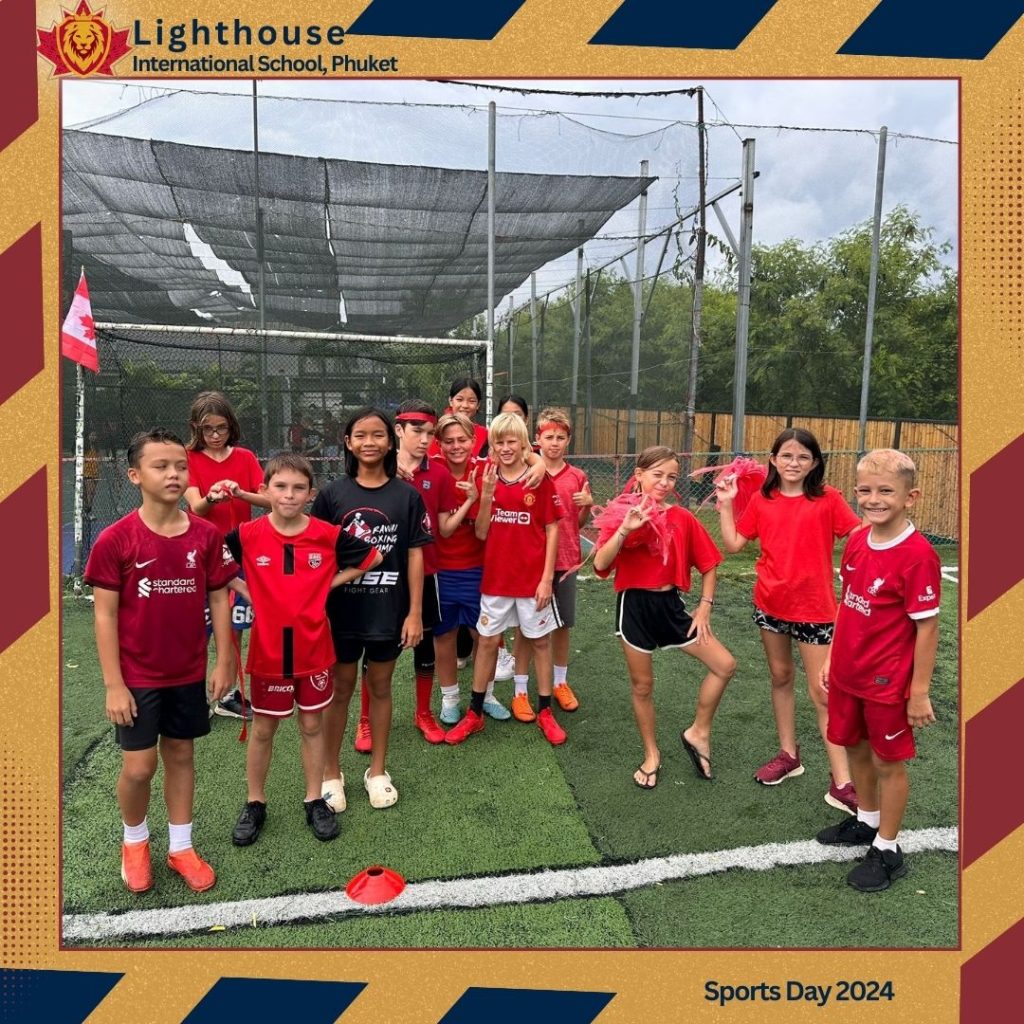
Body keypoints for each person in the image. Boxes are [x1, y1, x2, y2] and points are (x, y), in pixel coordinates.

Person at [84, 428, 237, 894]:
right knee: (138, 767)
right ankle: (135, 842)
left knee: (182, 754)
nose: (173, 474)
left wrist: (224, 660)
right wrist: (114, 684)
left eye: (180, 466)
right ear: (135, 475)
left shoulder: (207, 535)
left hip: (187, 671)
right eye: (160, 466)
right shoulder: (116, 539)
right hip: (136, 676)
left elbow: (219, 599)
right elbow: (106, 615)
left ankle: (181, 846)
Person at [225, 454, 380, 847]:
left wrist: (327, 584)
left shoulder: (327, 534)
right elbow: (216, 567)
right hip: (269, 650)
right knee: (264, 728)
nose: (289, 495)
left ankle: (315, 800)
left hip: (314, 649)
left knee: (312, 725)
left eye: (298, 488)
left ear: (310, 494)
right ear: (264, 491)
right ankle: (255, 802)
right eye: (280, 487)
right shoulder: (247, 533)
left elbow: (373, 556)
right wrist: (249, 592)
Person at [715, 427, 861, 812]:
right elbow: (732, 545)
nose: (794, 463)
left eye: (803, 457)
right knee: (780, 677)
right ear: (773, 460)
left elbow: (858, 536)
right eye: (787, 456)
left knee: (823, 693)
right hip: (770, 605)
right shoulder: (762, 500)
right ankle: (788, 755)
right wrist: (727, 504)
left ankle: (842, 782)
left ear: (815, 463)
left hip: (816, 610)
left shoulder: (829, 499)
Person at [815, 449, 940, 891]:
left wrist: (919, 691)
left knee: (889, 762)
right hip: (849, 671)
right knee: (855, 748)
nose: (874, 499)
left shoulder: (918, 554)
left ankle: (887, 848)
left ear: (911, 497)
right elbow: (848, 604)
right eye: (865, 490)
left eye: (886, 490)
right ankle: (866, 821)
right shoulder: (855, 540)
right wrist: (832, 654)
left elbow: (927, 628)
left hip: (887, 683)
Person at [593, 446, 736, 789]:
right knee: (642, 687)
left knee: (725, 665)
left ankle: (698, 732)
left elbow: (710, 563)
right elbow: (600, 564)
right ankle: (652, 755)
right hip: (635, 608)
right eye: (657, 474)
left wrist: (704, 605)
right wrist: (625, 529)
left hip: (671, 606)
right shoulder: (620, 511)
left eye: (671, 476)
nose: (664, 482)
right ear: (639, 475)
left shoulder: (682, 517)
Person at [311, 407, 431, 811]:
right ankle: (332, 772)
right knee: (340, 691)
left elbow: (416, 557)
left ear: (390, 441)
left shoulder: (407, 496)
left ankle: (377, 771)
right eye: (360, 435)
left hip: (388, 612)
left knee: (380, 688)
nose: (369, 442)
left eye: (377, 435)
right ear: (347, 442)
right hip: (341, 614)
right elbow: (318, 554)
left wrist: (415, 613)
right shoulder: (331, 495)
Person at [444, 413, 565, 746]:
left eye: (513, 441)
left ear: (524, 444)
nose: (506, 447)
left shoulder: (538, 478)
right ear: (492, 446)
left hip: (531, 581)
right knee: (486, 642)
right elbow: (481, 531)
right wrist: (485, 495)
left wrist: (546, 579)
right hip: (495, 580)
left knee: (540, 642)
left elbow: (552, 528)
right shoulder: (486, 475)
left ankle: (544, 712)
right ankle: (475, 713)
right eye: (500, 442)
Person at [184, 391, 269, 721]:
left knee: (235, 627)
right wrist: (212, 496)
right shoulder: (189, 458)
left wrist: (239, 492)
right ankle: (194, 698)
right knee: (199, 628)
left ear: (231, 426)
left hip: (239, 556)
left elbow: (269, 500)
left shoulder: (245, 457)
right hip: (201, 555)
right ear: (197, 428)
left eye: (221, 428)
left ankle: (228, 696)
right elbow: (195, 505)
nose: (216, 435)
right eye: (208, 429)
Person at [429, 412, 510, 724]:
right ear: (439, 444)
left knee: (484, 636)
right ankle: (450, 698)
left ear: (474, 441)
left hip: (480, 569)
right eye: (448, 441)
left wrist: (484, 496)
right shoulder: (432, 469)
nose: (455, 446)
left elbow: (483, 530)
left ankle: (486, 695)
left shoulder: (487, 470)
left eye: (462, 439)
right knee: (444, 636)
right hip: (442, 569)